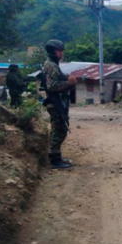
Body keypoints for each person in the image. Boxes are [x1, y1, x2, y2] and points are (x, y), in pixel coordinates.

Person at [42, 39, 77, 169]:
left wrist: (67, 78)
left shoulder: (53, 64)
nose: (61, 54)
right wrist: (70, 83)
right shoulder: (51, 65)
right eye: (59, 51)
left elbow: (59, 78)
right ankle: (55, 161)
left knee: (60, 129)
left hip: (57, 101)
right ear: (52, 51)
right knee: (59, 130)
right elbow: (52, 86)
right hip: (54, 101)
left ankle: (56, 157)